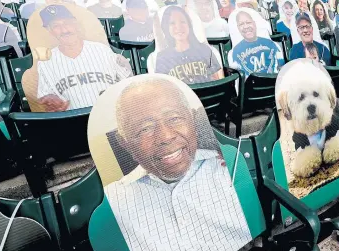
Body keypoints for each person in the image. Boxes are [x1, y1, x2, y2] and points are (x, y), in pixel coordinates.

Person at [106, 78, 252, 250]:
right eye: (145, 128)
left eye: (174, 118)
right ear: (124, 142)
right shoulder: (112, 202)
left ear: (192, 119)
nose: (166, 136)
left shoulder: (232, 168)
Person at [35, 4, 132, 112]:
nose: (64, 30)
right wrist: (50, 99)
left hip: (110, 116)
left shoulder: (102, 50)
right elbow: (44, 96)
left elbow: (127, 81)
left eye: (67, 23)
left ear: (75, 24)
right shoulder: (46, 62)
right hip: (74, 121)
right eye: (56, 26)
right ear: (49, 30)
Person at [154, 6, 223, 84]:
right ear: (166, 28)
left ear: (189, 25)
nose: (178, 27)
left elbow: (219, 80)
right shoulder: (162, 58)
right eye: (172, 23)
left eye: (182, 21)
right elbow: (162, 88)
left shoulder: (205, 50)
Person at [229, 10, 283, 77]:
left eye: (248, 22)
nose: (246, 26)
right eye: (241, 24)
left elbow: (281, 67)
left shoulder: (272, 44)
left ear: (254, 24)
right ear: (238, 28)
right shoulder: (234, 52)